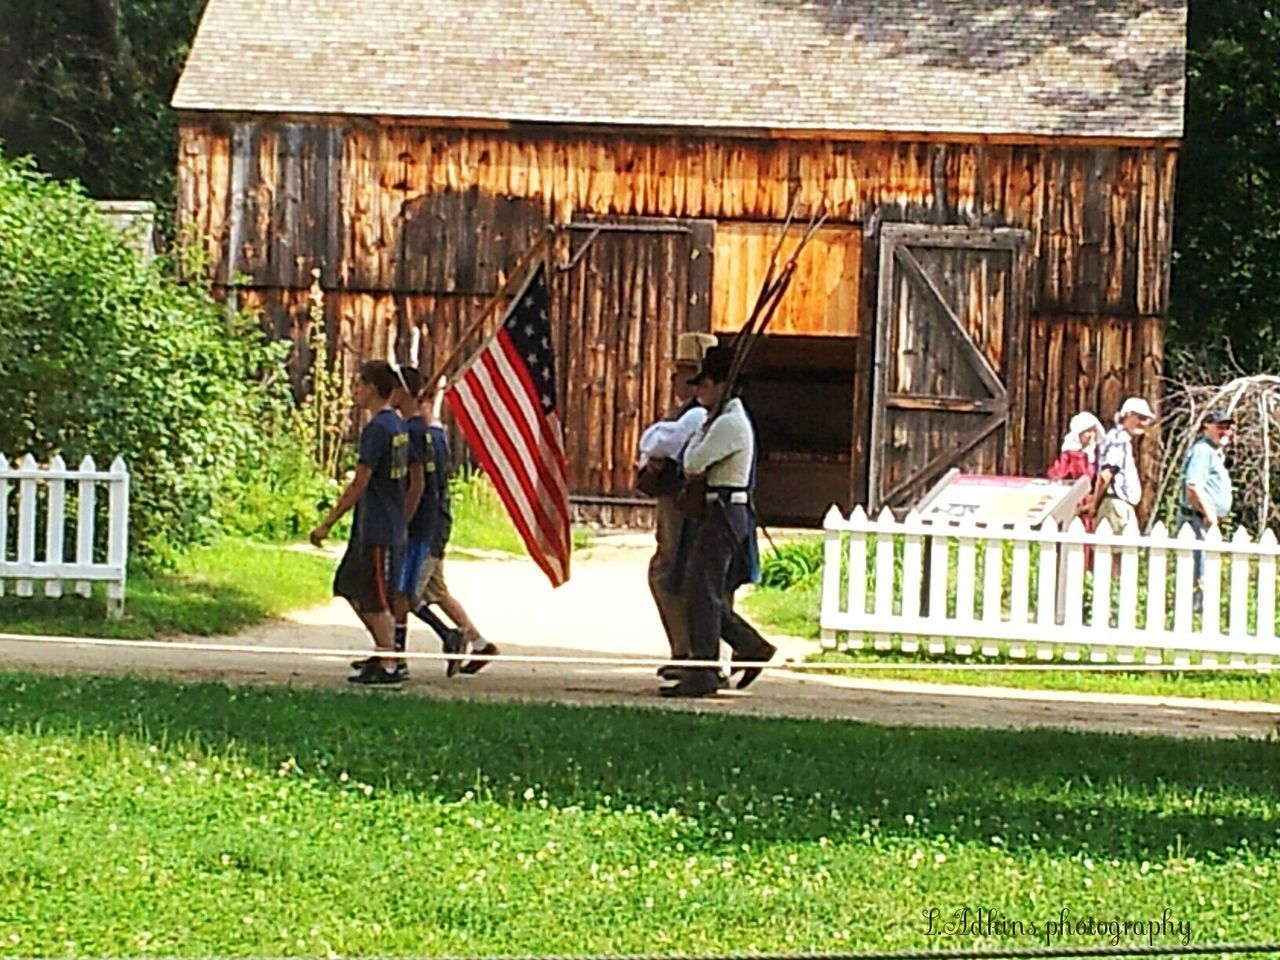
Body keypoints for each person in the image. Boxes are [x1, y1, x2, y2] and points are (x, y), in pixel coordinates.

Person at [661, 345, 776, 699]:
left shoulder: (728, 423)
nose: (698, 393)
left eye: (705, 385)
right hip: (717, 509)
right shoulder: (723, 420)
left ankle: (707, 668)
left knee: (703, 591)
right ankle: (747, 647)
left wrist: (700, 432)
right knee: (699, 590)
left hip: (725, 510)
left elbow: (693, 462)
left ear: (720, 386)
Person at [310, 360, 410, 686]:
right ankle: (384, 650)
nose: (355, 391)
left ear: (372, 387)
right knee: (350, 585)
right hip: (373, 523)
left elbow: (361, 480)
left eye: (359, 384)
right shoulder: (397, 425)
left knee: (376, 597)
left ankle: (390, 663)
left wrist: (327, 522)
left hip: (379, 524)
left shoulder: (379, 428)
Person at [407, 379, 500, 676]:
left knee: (407, 593)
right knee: (438, 591)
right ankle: (481, 643)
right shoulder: (434, 433)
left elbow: (426, 485)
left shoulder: (429, 437)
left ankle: (449, 635)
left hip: (430, 525)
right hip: (437, 521)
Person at [637, 331, 717, 674]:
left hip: (684, 502)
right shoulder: (687, 412)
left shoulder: (697, 414)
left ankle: (689, 653)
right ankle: (686, 650)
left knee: (672, 571)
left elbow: (657, 444)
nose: (677, 378)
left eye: (685, 371)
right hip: (676, 498)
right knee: (672, 571)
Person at [1179, 410, 1235, 606]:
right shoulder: (1203, 451)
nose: (1226, 431)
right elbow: (1193, 486)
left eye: (1228, 427)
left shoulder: (1214, 452)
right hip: (1198, 520)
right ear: (1206, 427)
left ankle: (1200, 610)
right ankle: (1196, 611)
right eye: (1220, 427)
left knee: (1206, 569)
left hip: (1204, 521)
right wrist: (1209, 514)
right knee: (1199, 570)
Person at [1086, 396, 1155, 535]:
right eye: (1140, 417)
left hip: (1117, 504)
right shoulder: (1119, 440)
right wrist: (1094, 506)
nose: (1144, 423)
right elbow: (1106, 475)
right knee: (1117, 555)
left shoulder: (1119, 438)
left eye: (1146, 419)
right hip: (1116, 504)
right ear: (1127, 416)